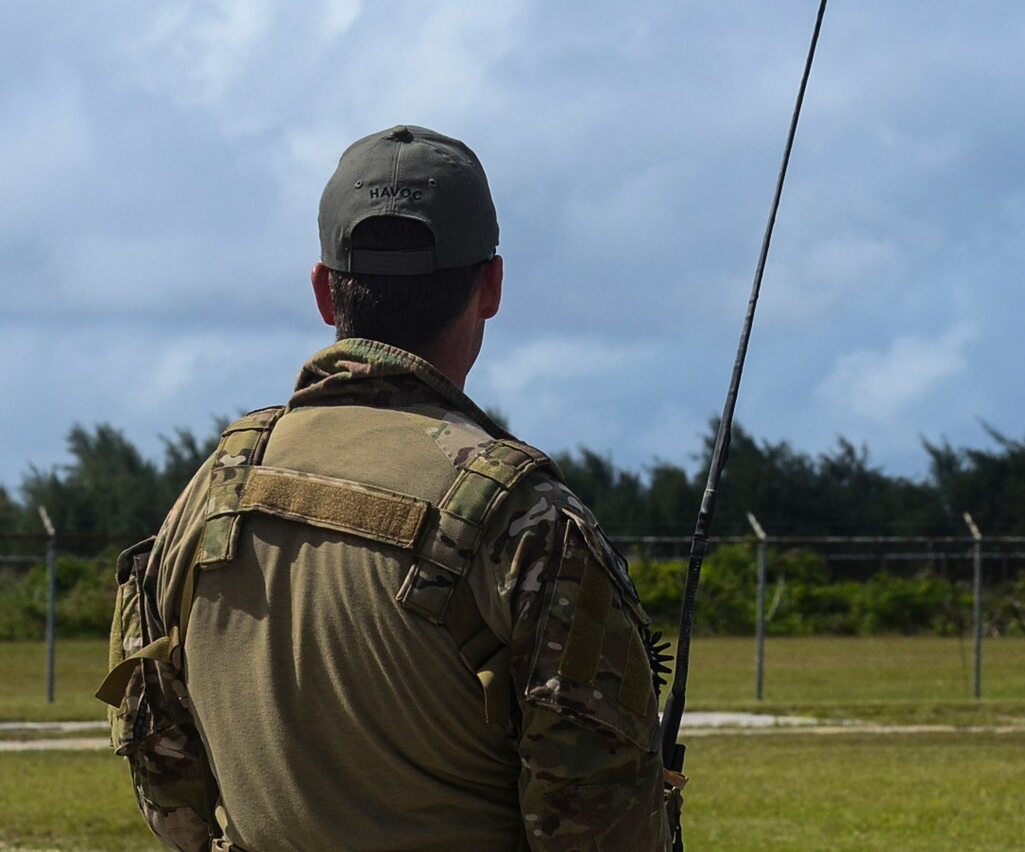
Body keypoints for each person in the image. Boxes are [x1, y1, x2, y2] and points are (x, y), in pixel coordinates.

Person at [101, 125, 673, 851]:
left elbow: (164, 773)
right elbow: (602, 821)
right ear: (490, 286)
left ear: (322, 289)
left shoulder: (213, 491)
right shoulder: (526, 519)